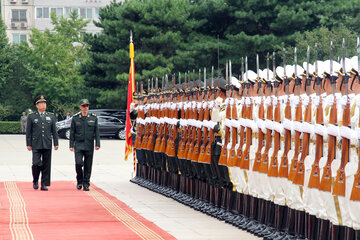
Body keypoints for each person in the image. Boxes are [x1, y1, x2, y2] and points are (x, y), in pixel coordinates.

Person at [26, 95, 59, 191]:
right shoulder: (32, 116)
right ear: (37, 105)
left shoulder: (51, 116)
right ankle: (35, 180)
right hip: (36, 143)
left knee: (46, 164)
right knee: (36, 163)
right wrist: (28, 144)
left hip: (47, 143)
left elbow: (54, 131)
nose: (43, 105)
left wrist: (56, 143)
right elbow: (29, 132)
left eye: (44, 103)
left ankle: (44, 183)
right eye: (41, 103)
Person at [69, 99, 100, 191]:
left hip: (89, 144)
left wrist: (97, 143)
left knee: (88, 164)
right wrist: (71, 145)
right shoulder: (75, 118)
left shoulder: (93, 118)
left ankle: (86, 183)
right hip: (78, 144)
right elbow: (72, 132)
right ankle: (79, 181)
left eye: (87, 106)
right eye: (83, 106)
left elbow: (96, 132)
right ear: (80, 107)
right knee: (78, 163)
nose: (85, 108)